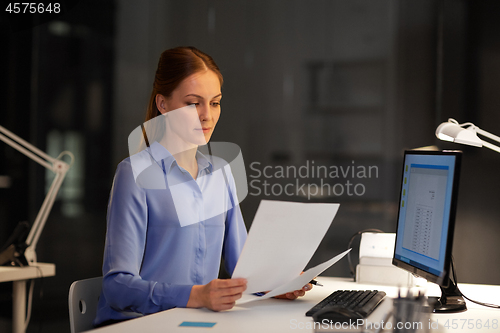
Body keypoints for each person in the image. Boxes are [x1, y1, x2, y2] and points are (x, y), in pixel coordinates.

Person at [94, 46, 310, 327]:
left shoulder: (220, 173)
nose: (206, 115)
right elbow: (117, 287)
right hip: (139, 325)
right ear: (163, 105)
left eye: (215, 102)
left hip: (195, 323)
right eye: (193, 103)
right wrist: (197, 296)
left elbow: (243, 269)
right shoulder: (134, 173)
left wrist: (277, 286)